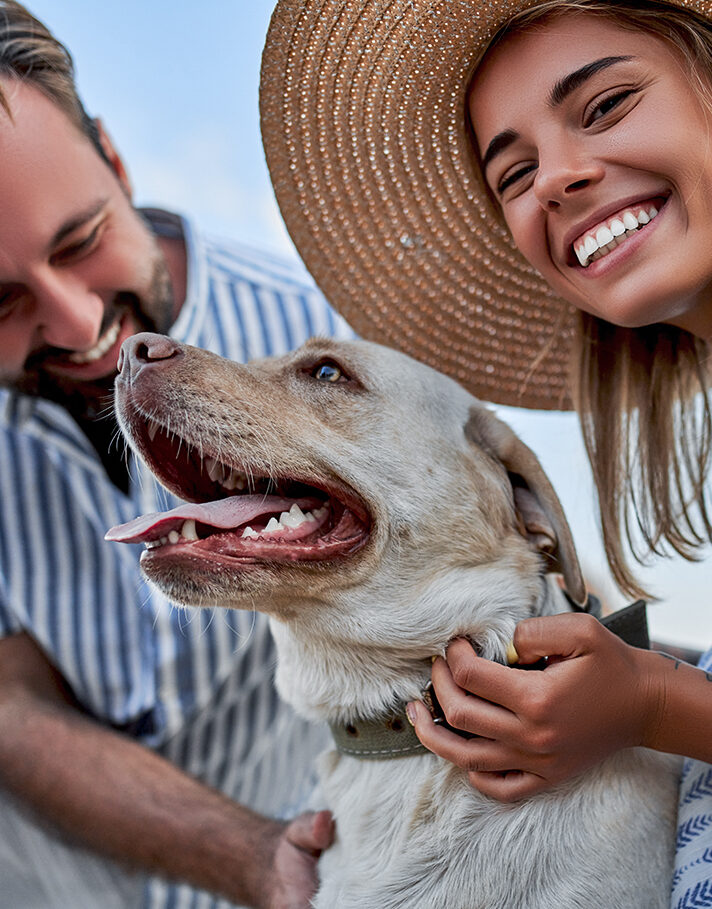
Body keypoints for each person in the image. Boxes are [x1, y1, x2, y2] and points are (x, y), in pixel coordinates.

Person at [258, 0, 712, 905]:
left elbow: (691, 697)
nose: (557, 177)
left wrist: (652, 703)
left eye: (604, 105)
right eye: (513, 173)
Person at [0, 2, 353, 906]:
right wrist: (246, 858)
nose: (82, 329)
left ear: (115, 161)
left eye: (81, 242)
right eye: (0, 304)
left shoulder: (324, 345)